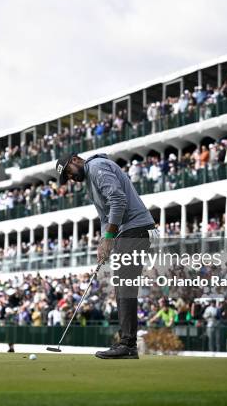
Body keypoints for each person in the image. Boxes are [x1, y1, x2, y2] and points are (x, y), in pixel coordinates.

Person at [56, 153, 157, 359]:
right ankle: (127, 343)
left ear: (76, 160)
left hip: (135, 229)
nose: (70, 177)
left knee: (125, 285)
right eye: (66, 176)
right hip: (126, 231)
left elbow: (118, 200)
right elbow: (105, 216)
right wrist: (104, 242)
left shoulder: (96, 167)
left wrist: (110, 237)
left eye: (68, 171)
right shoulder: (90, 183)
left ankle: (128, 344)